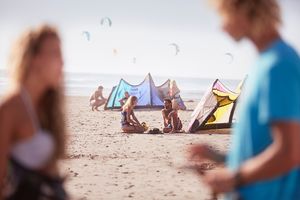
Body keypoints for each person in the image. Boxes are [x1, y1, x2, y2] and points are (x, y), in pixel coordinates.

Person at [188, 0, 300, 199]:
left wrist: (234, 178)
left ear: (243, 10)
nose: (222, 26)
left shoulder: (279, 65)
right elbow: (262, 148)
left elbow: (289, 152)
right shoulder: (264, 63)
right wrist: (218, 157)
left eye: (224, 15)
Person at [0, 25, 68, 199]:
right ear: (34, 59)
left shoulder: (46, 106)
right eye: (55, 53)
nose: (62, 62)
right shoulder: (11, 108)